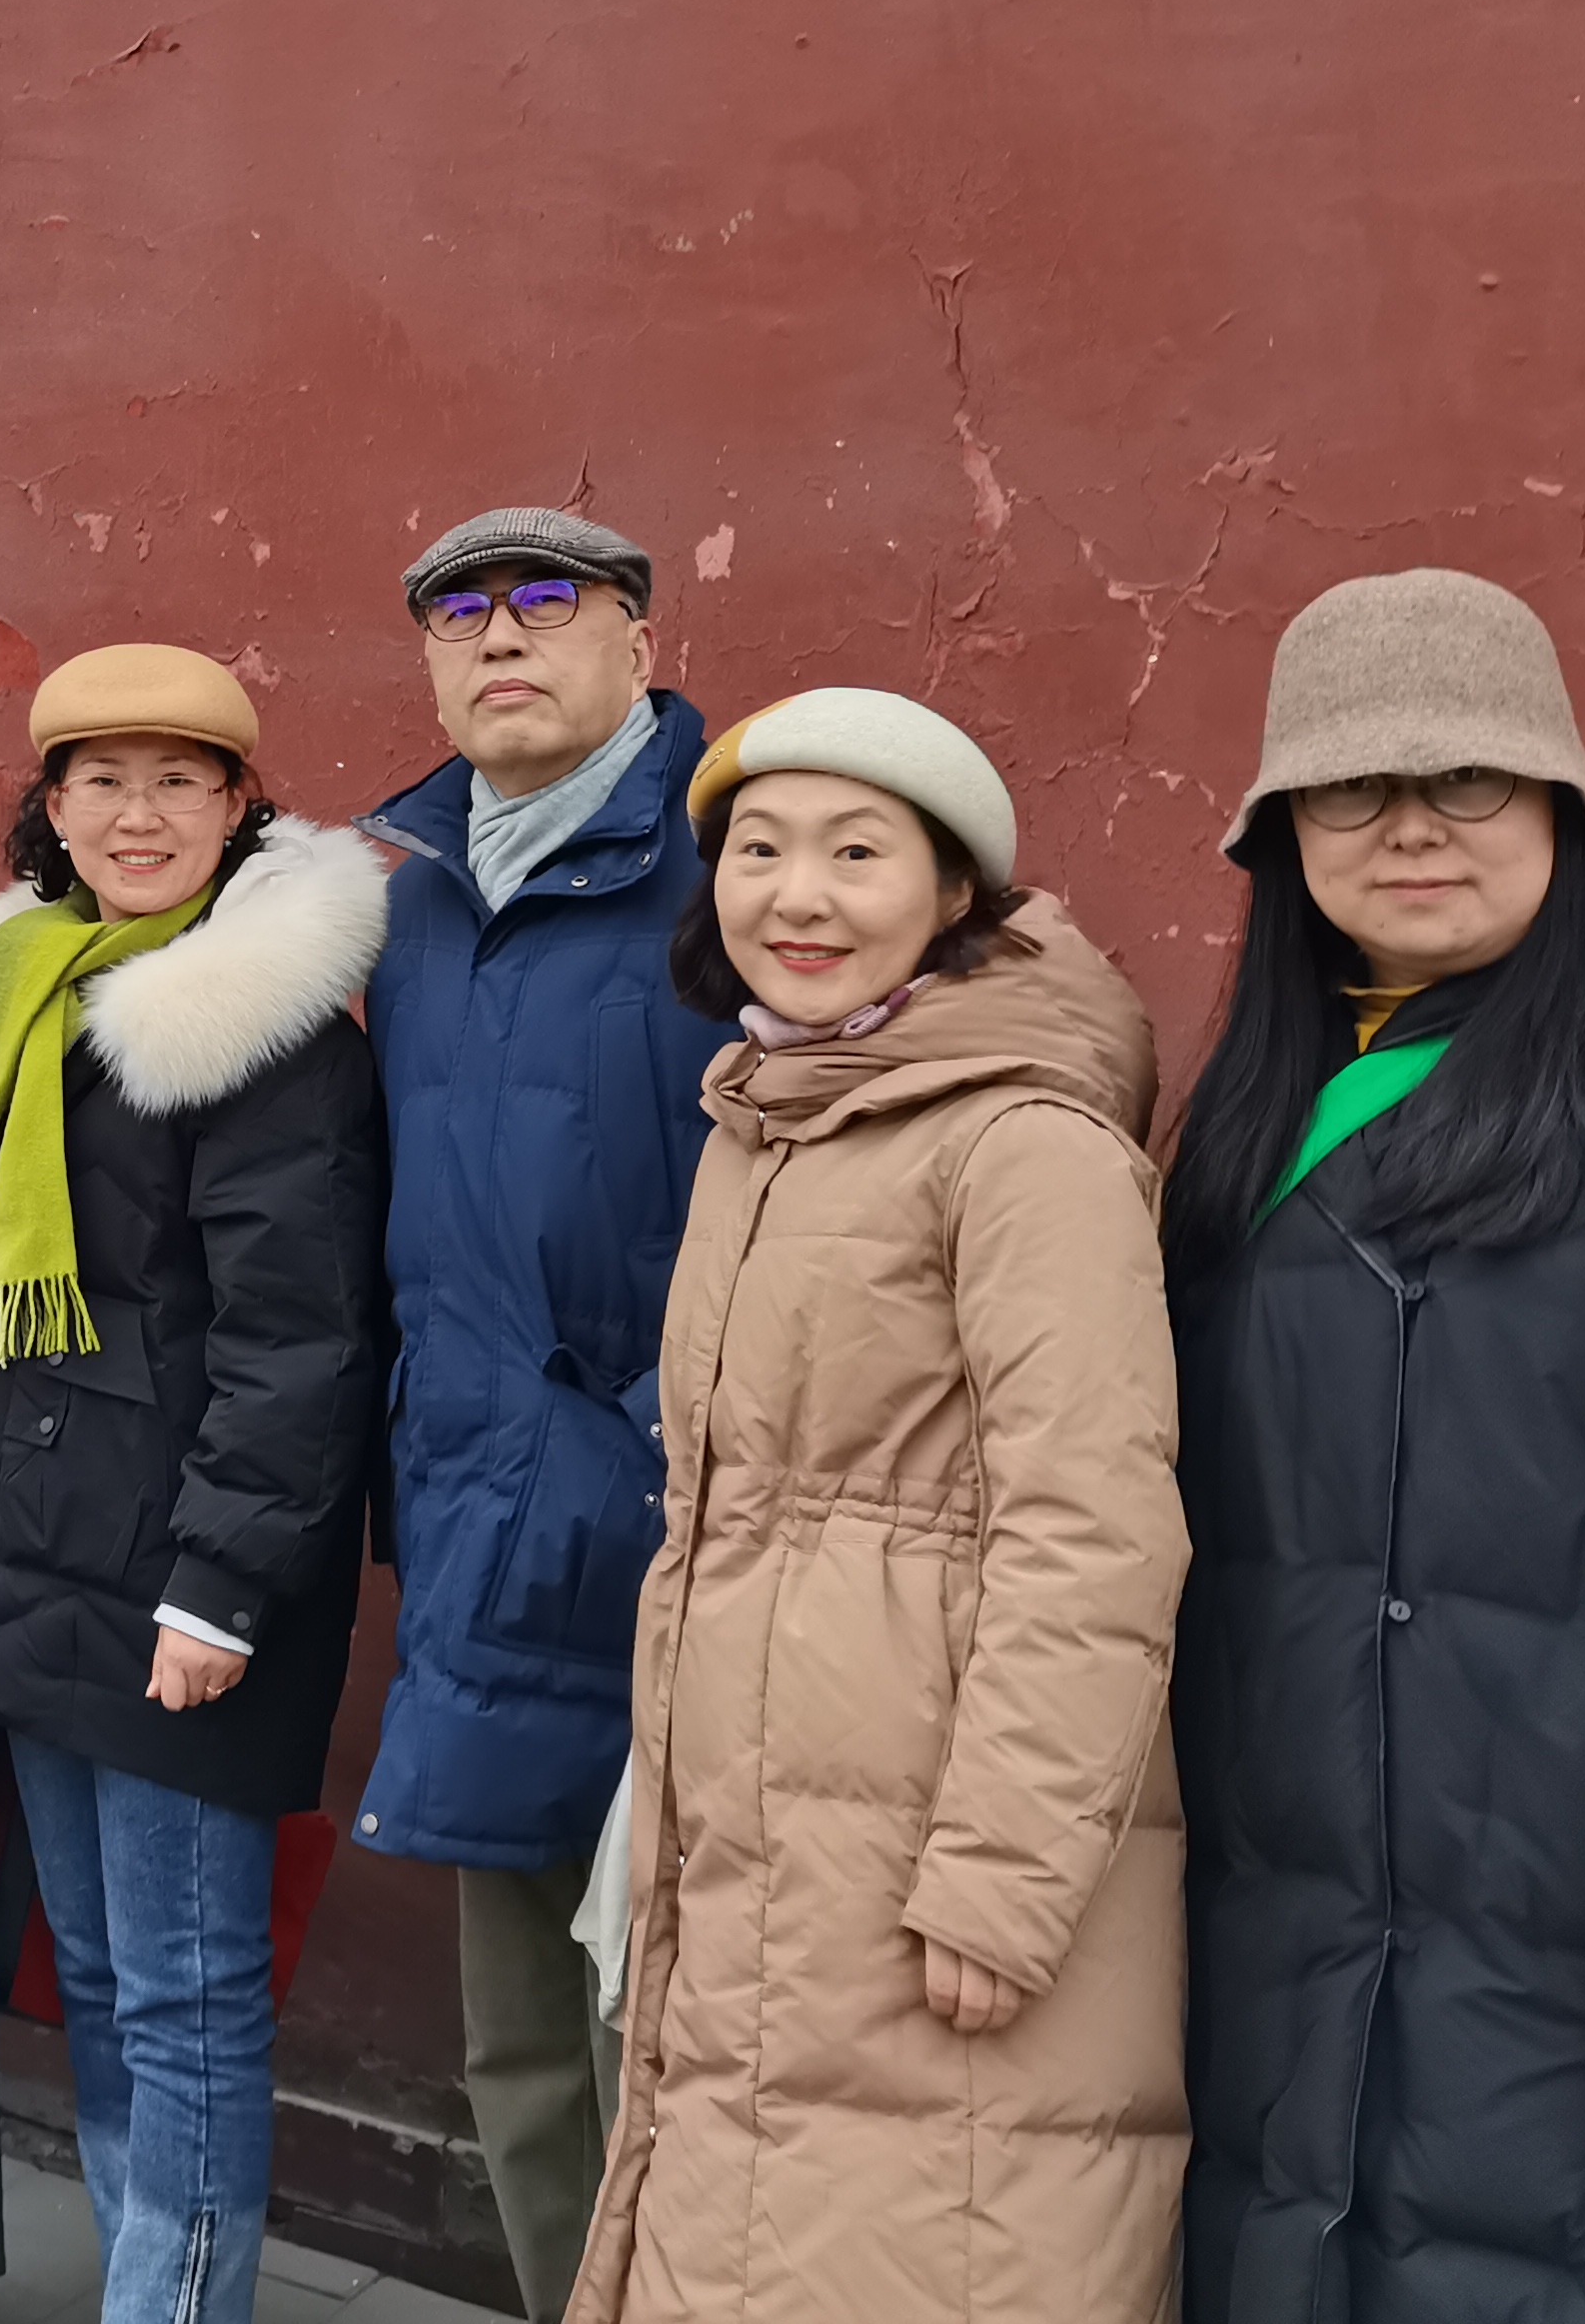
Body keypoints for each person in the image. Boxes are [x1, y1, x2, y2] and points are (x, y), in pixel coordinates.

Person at [1163, 570, 1585, 2324]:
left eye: (1470, 779)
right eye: (1352, 788)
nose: (1412, 828)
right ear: (1282, 835)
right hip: (1294, 1926)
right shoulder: (1255, 1109)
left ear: (1567, 807)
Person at [574, 689, 1188, 2324]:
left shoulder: (1022, 1140)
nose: (801, 897)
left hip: (931, 1863)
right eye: (760, 852)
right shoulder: (770, 1115)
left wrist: (1003, 1877)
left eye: (858, 854)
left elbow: (1095, 1526)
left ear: (953, 890)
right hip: (767, 1846)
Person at [0, 647, 390, 2324]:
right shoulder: (24, 988)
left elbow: (300, 1338)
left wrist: (221, 1587)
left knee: (190, 1999)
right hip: (34, 1556)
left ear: (238, 804)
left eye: (178, 782)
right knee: (103, 1981)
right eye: (101, 783)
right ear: (50, 810)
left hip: (179, 1589)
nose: (139, 816)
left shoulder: (265, 1031)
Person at [349, 505, 721, 2321]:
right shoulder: (413, 899)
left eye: (547, 601)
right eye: (460, 613)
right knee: (519, 2046)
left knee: (679, 2029)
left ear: (639, 641)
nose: (501, 637)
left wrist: (660, 1431)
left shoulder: (739, 864)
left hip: (682, 1537)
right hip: (479, 1529)